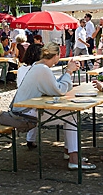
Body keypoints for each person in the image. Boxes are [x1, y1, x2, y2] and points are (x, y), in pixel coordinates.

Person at [11, 42, 95, 170]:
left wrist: (67, 73)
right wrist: (69, 71)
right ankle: (73, 158)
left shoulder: (38, 66)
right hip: (25, 113)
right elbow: (60, 90)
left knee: (70, 115)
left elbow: (53, 86)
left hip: (23, 110)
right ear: (55, 55)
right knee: (71, 115)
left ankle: (70, 152)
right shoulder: (42, 69)